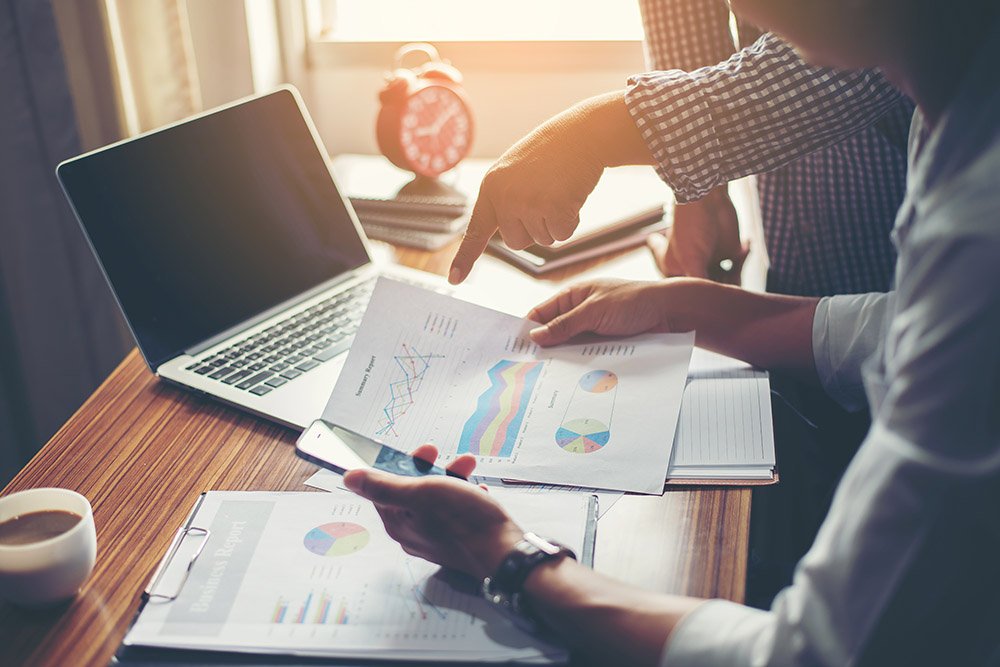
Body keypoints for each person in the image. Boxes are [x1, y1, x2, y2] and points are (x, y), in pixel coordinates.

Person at [345, 0, 1000, 663]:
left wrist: (507, 557)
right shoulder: (955, 114)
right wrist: (684, 306)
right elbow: (906, 329)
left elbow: (813, 654)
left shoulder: (980, 224)